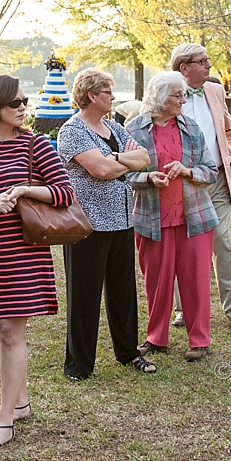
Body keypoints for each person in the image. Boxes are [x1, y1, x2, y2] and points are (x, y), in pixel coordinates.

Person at [0, 75, 75, 451]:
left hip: (23, 249)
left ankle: (5, 421)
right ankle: (19, 403)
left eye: (25, 101)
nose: (23, 108)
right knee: (4, 329)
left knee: (9, 330)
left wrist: (24, 190)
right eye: (15, 103)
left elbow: (65, 191)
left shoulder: (35, 144)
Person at [57, 68, 155, 380]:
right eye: (108, 93)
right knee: (84, 295)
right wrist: (120, 160)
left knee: (123, 292)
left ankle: (128, 353)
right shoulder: (72, 131)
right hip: (88, 224)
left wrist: (116, 158)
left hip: (123, 220)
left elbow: (144, 158)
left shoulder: (114, 126)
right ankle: (79, 365)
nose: (113, 97)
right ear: (91, 96)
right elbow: (99, 169)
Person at [125, 71, 219, 362]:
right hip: (151, 217)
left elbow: (211, 170)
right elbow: (124, 173)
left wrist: (189, 171)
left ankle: (199, 340)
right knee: (157, 281)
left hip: (196, 217)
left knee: (196, 280)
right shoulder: (133, 129)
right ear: (161, 97)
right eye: (177, 95)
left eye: (183, 95)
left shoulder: (190, 127)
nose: (183, 99)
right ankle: (157, 337)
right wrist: (147, 178)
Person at [168, 44, 231, 332]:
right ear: (184, 68)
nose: (208, 66)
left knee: (222, 241)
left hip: (215, 179)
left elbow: (229, 127)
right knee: (185, 246)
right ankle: (182, 309)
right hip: (184, 181)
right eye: (202, 62)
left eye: (208, 61)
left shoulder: (215, 91)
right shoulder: (166, 94)